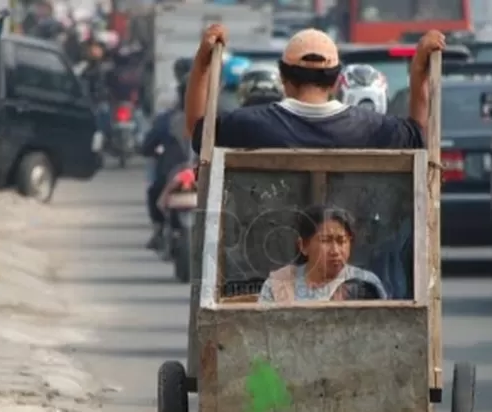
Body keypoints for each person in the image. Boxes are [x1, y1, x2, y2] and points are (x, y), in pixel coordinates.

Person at [185, 24, 442, 152]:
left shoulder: (248, 124)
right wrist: (419, 70)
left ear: (283, 79)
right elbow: (420, 134)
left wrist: (203, 64)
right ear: (335, 81)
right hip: (352, 253)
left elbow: (198, 129)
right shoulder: (374, 127)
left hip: (268, 251)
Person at [258, 205, 387, 302]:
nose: (335, 251)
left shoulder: (366, 284)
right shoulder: (279, 284)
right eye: (326, 240)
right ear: (303, 246)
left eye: (342, 241)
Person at [142, 83, 191, 250]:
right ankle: (159, 229)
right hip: (201, 176)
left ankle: (159, 228)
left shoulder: (166, 120)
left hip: (175, 176)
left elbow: (147, 147)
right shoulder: (218, 118)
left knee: (154, 191)